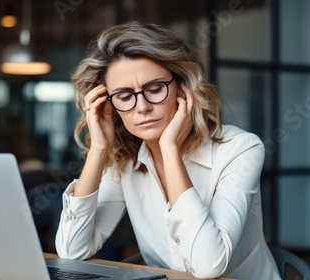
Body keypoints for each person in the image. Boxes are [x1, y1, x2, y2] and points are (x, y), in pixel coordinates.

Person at [55, 21, 281, 280]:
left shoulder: (240, 149)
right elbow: (72, 251)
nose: (142, 107)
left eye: (154, 89)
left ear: (183, 88)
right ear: (108, 104)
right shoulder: (124, 162)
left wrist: (169, 148)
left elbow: (208, 265)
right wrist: (98, 149)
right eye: (124, 96)